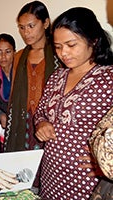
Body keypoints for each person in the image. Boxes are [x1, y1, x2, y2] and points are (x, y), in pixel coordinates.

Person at [34, 7, 113, 199]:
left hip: (86, 180)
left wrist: (103, 160)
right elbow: (40, 112)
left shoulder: (109, 78)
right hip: (51, 173)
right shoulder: (57, 76)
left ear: (93, 40)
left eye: (71, 45)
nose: (63, 53)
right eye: (58, 46)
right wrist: (41, 123)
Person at [3, 0, 59, 153]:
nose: (26, 32)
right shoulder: (19, 56)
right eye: (21, 28)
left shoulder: (58, 54)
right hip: (23, 122)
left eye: (31, 26)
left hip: (51, 122)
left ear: (46, 23)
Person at [0, 33, 16, 146]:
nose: (3, 56)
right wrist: (0, 115)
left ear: (14, 52)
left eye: (8, 51)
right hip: (3, 124)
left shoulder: (23, 72)